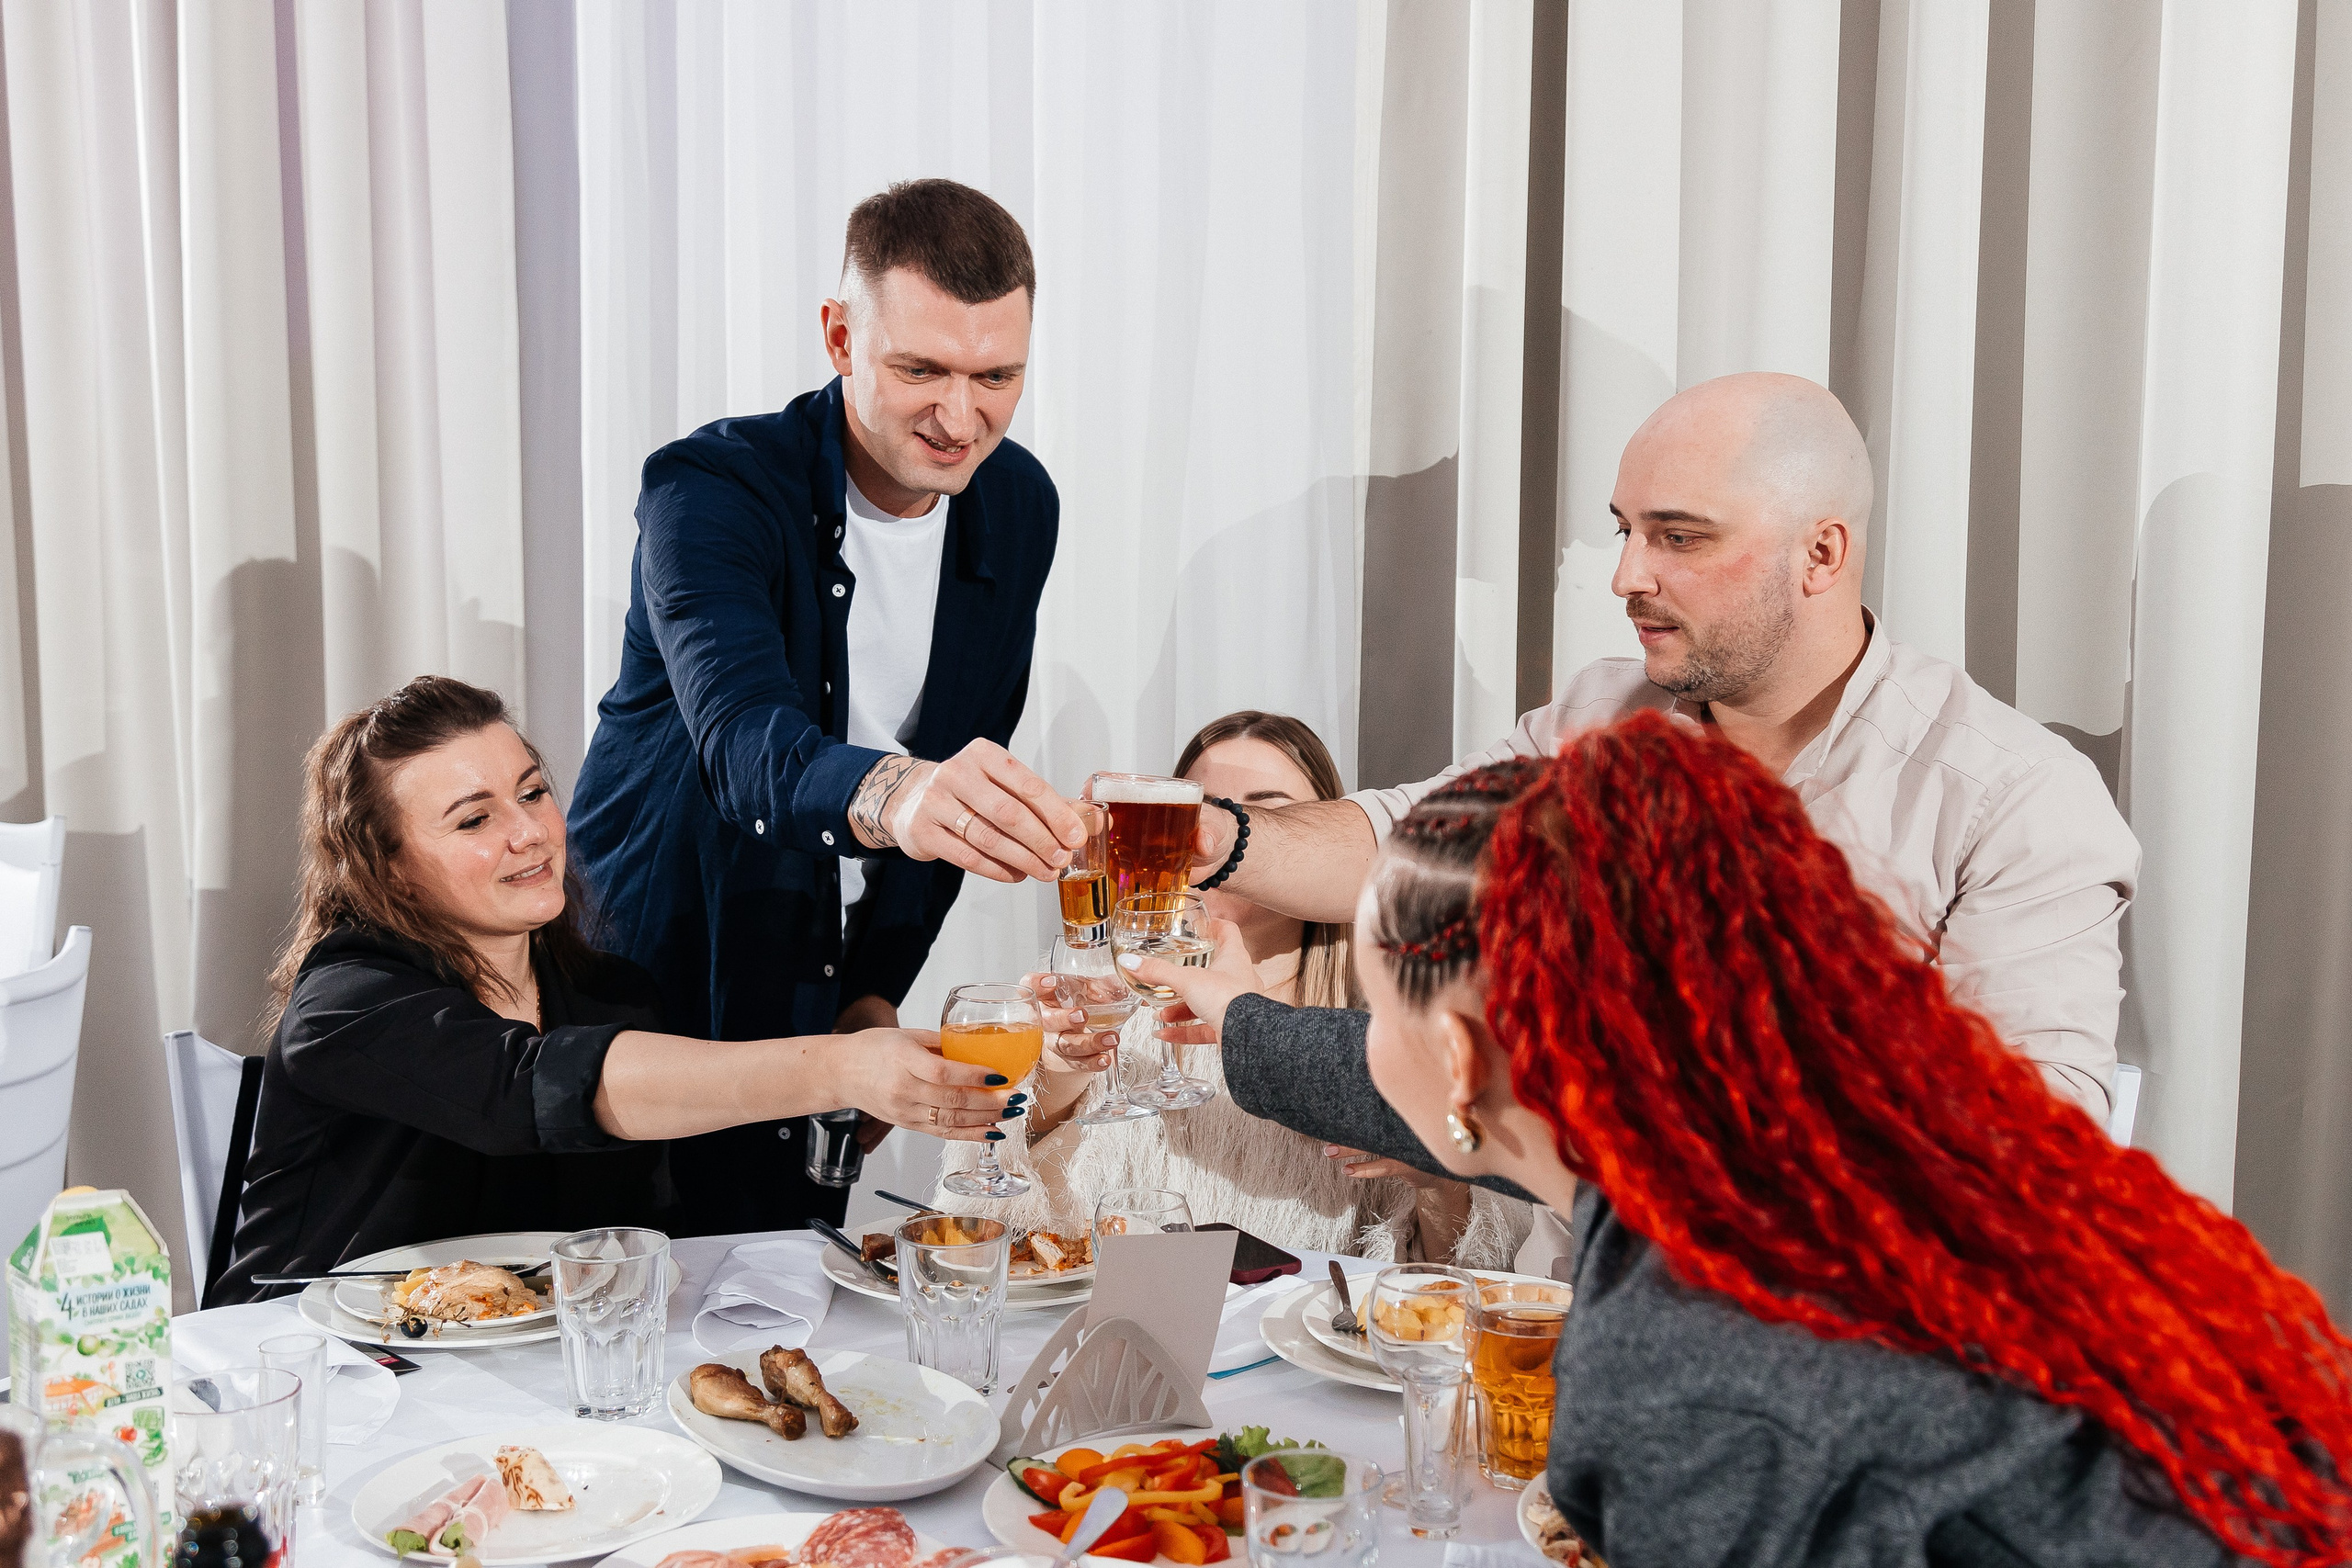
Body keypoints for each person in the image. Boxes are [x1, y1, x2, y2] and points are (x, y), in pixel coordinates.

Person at [1135, 719, 2351, 1568]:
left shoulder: (1687, 1368)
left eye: (1379, 1010)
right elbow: (1416, 1082)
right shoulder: (1776, 1137)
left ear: (1461, 1058)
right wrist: (1241, 1028)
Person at [1182, 372, 2138, 1124]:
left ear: (1822, 554)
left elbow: (2043, 1138)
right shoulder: (1598, 716)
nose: (1628, 576)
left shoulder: (2009, 797)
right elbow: (1409, 849)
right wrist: (1207, 838)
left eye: (1678, 537)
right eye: (1625, 532)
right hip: (1561, 1304)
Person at [567, 180, 1091, 1235]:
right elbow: (746, 747)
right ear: (840, 336)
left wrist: (873, 990)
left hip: (819, 983)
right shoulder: (708, 490)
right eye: (921, 370)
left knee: (786, 1324)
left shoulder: (1018, 502)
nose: (961, 417)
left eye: (997, 376)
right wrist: (904, 794)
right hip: (648, 975)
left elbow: (955, 755)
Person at [217, 678, 1020, 1303]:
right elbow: (529, 1086)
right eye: (473, 821)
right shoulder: (346, 1003)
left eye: (533, 792)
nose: (529, 832)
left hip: (517, 1392)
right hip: (314, 1382)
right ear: (386, 864)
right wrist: (841, 1066)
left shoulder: (611, 994)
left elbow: (638, 1236)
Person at [938, 712, 1527, 1267]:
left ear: (1329, 843)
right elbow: (988, 1220)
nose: (1209, 838)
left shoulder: (1392, 1012)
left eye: (1266, 813)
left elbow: (1463, 1275)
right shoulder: (1100, 983)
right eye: (1205, 809)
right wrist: (1060, 1073)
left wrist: (1436, 1173)